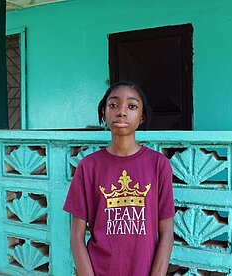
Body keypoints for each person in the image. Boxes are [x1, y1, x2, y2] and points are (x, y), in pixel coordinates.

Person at [63, 81, 175, 276]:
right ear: (104, 113)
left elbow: (167, 233)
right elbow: (76, 235)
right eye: (113, 105)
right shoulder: (89, 166)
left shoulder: (158, 165)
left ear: (142, 117)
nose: (121, 112)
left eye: (132, 106)